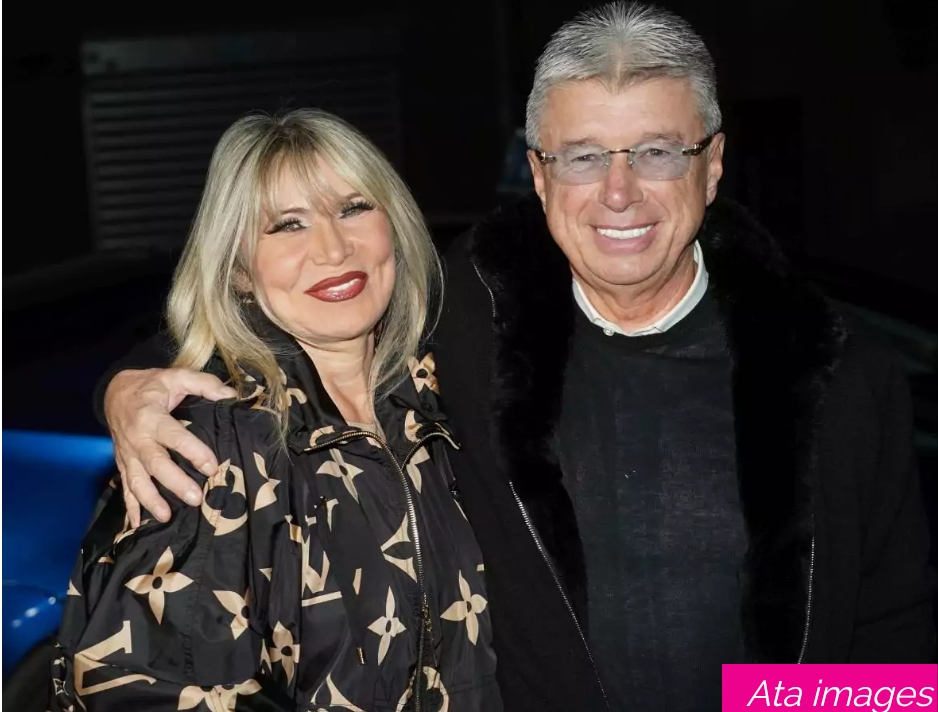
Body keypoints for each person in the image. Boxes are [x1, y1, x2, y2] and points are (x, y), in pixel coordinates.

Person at [93, 3, 936, 710]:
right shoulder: (474, 320)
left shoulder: (839, 376)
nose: (618, 192)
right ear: (539, 174)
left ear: (711, 166)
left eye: (656, 151)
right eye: (583, 157)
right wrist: (128, 386)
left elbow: (894, 637)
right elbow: (301, 312)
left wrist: (778, 702)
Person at [52, 108, 502, 712]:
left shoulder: (450, 398)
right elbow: (141, 688)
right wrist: (124, 388)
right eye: (288, 225)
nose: (333, 248)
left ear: (393, 226)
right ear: (239, 271)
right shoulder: (213, 442)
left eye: (353, 208)